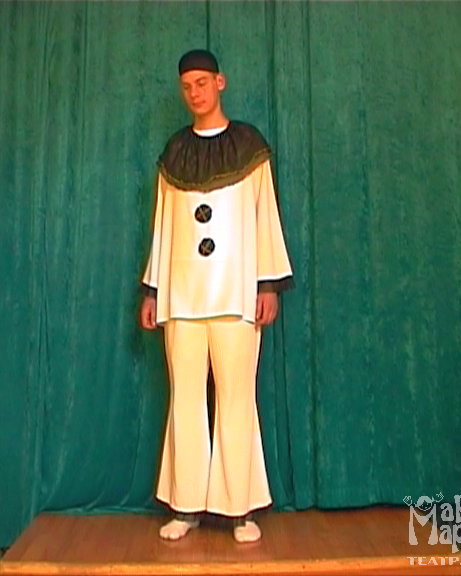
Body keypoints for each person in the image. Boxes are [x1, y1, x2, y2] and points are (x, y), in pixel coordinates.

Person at [139, 49, 293, 544]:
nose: (195, 93)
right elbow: (163, 226)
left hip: (237, 294)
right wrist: (153, 289)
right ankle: (185, 506)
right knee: (184, 399)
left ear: (220, 83)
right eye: (187, 86)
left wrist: (267, 284)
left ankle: (239, 509)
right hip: (182, 296)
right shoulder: (174, 151)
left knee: (236, 398)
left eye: (202, 83)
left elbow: (265, 216)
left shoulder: (249, 146)